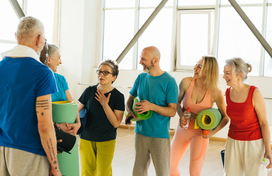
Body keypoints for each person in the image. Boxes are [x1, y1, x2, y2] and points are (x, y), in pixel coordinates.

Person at [0, 16, 61, 176]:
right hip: (29, 151)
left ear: (16, 36)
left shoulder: (1, 67)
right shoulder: (42, 73)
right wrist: (55, 166)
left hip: (3, 149)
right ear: (39, 39)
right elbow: (45, 126)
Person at [170, 56, 229, 176]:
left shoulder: (215, 92)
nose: (194, 68)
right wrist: (181, 115)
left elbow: (226, 117)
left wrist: (211, 133)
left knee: (194, 173)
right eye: (196, 64)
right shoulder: (186, 82)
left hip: (200, 135)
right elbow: (176, 103)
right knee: (169, 167)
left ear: (208, 70)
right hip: (182, 131)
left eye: (199, 66)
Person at [125, 46, 178, 176]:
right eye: (140, 58)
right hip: (140, 134)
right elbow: (129, 100)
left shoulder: (169, 82)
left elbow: (172, 111)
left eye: (144, 59)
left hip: (159, 136)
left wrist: (152, 106)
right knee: (138, 173)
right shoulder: (140, 78)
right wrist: (129, 112)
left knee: (162, 173)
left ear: (155, 61)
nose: (140, 62)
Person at [223, 58, 272, 176]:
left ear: (240, 75)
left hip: (253, 143)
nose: (224, 76)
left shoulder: (254, 93)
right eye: (224, 73)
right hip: (233, 142)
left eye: (227, 73)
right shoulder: (228, 92)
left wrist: (268, 150)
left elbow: (264, 123)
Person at [77, 59, 125, 176]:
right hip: (86, 137)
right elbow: (76, 112)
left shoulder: (118, 97)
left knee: (103, 172)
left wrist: (105, 104)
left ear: (114, 77)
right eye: (99, 71)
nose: (101, 74)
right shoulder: (89, 91)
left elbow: (116, 123)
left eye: (106, 72)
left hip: (106, 139)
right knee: (86, 172)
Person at [40, 43, 81, 176]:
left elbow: (72, 104)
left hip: (67, 133)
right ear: (49, 59)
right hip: (48, 134)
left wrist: (78, 123)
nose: (61, 61)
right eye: (59, 57)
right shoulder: (40, 80)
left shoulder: (61, 79)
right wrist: (58, 126)